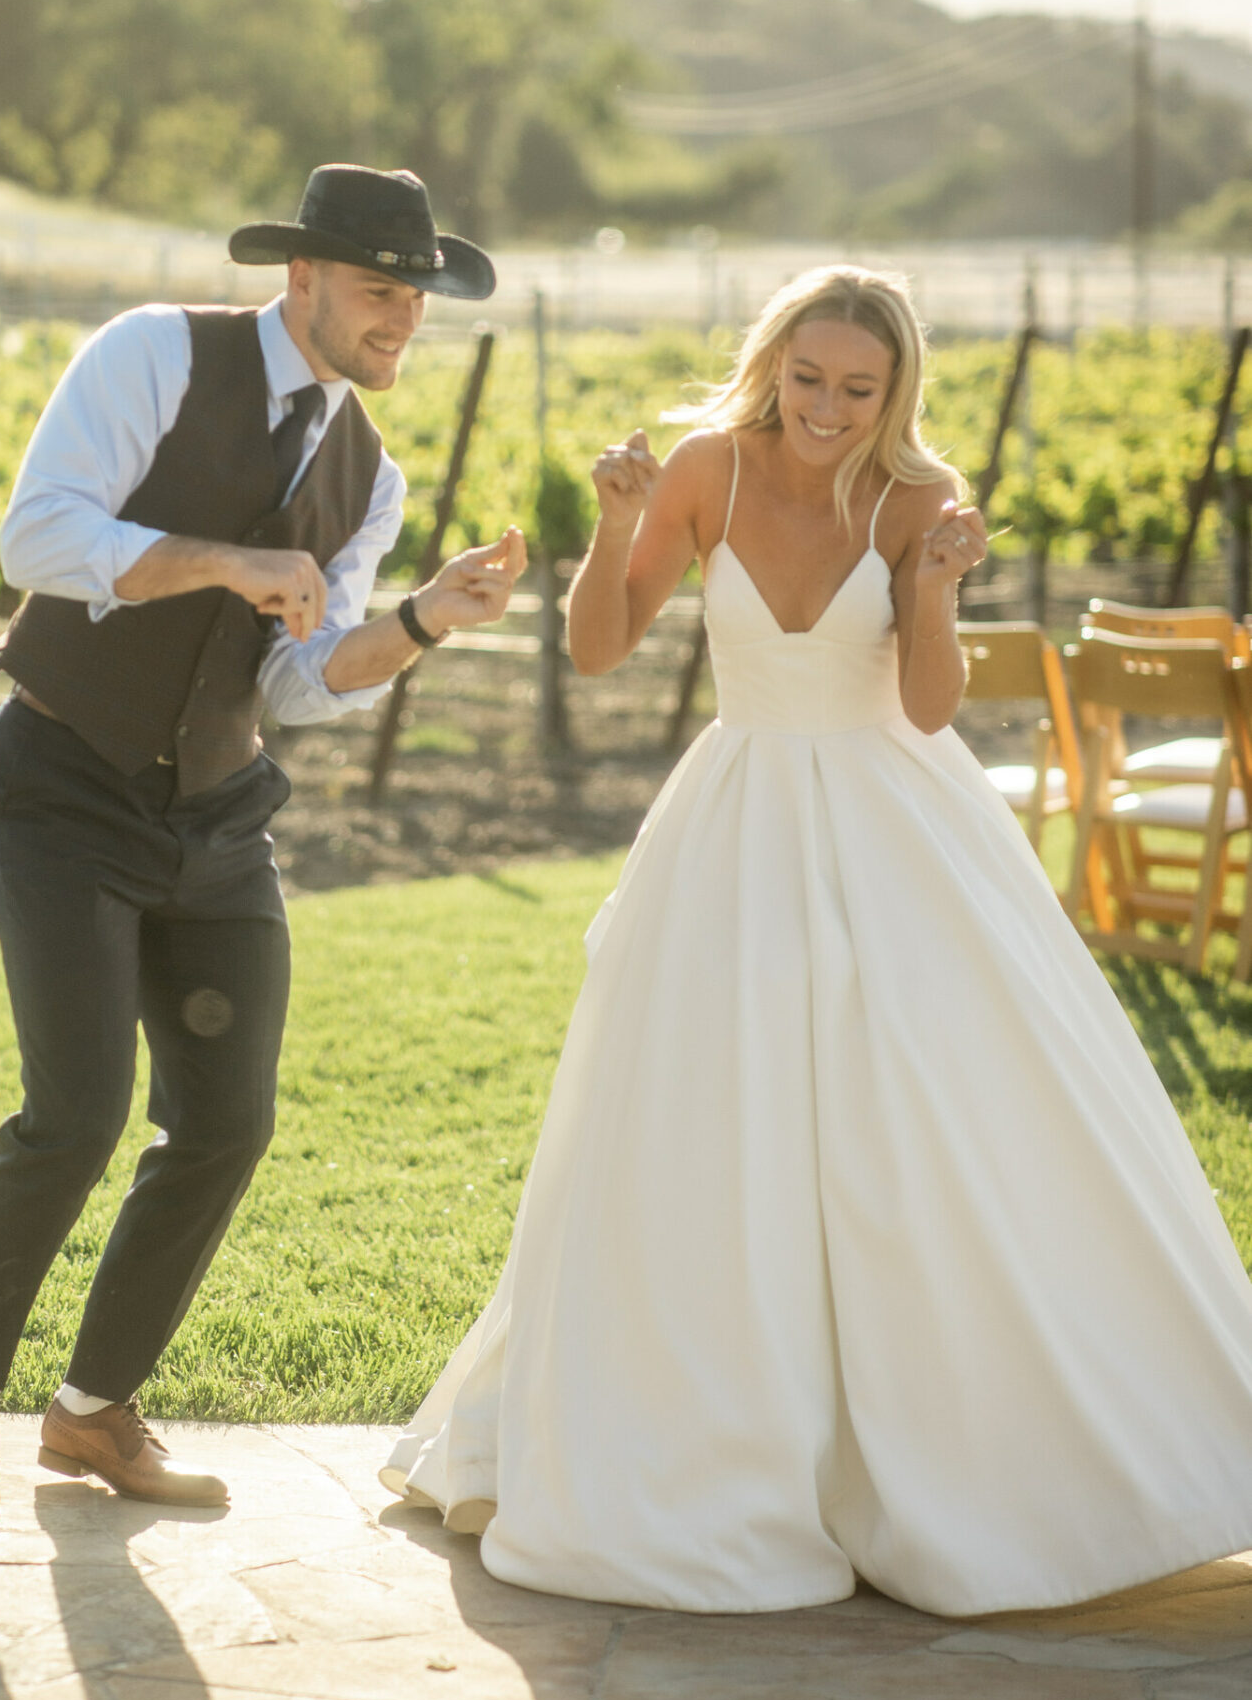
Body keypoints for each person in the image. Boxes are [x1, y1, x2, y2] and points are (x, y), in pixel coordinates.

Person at [383, 263, 1252, 1617]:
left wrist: (938, 587)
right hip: (733, 821)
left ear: (893, 391)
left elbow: (925, 704)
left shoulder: (922, 498)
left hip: (896, 823)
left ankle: (944, 1456)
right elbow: (603, 648)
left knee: (920, 1118)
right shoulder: (703, 470)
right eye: (808, 379)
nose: (829, 410)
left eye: (859, 389)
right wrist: (615, 526)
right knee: (701, 1118)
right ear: (771, 362)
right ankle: (720, 1440)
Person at [0, 164, 526, 1522]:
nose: (402, 321)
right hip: (67, 783)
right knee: (74, 1113)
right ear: (299, 277)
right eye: (379, 291)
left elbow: (301, 682)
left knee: (227, 1124)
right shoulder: (152, 354)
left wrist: (426, 619)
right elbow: (37, 536)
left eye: (417, 298)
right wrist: (217, 560)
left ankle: (95, 1414)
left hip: (217, 813)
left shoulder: (372, 470)